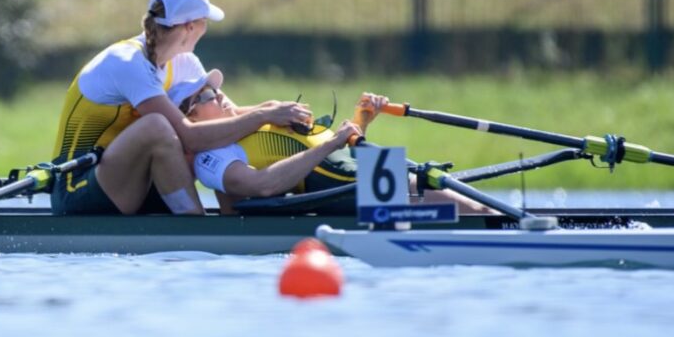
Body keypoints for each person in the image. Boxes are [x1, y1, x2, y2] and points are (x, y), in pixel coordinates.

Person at [50, 0, 313, 216]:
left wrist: (273, 108)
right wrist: (263, 115)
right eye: (204, 22)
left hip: (132, 179)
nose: (206, 29)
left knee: (213, 121)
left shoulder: (184, 62)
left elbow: (227, 114)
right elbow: (189, 136)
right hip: (78, 188)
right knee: (158, 127)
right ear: (189, 27)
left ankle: (237, 211)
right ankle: (195, 223)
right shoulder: (128, 63)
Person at [180, 77, 491, 214]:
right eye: (206, 95)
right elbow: (261, 185)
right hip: (333, 185)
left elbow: (328, 145)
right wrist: (333, 145)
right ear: (189, 116)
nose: (219, 95)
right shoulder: (212, 156)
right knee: (469, 206)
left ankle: (502, 223)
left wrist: (361, 122)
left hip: (346, 169)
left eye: (215, 88)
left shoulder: (250, 120)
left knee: (449, 188)